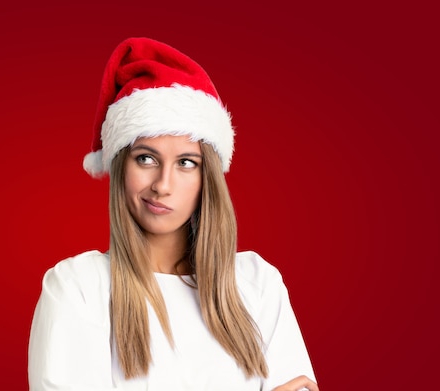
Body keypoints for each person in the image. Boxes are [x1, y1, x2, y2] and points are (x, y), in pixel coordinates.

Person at [28, 37, 318, 391]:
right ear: (121, 167)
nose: (162, 185)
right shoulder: (78, 287)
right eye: (145, 158)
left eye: (185, 162)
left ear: (206, 176)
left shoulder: (258, 284)